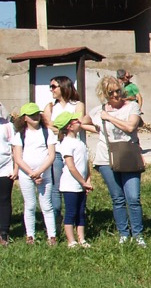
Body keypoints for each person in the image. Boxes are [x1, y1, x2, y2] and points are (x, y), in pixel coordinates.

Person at [89, 77, 146, 245]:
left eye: (118, 91)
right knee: (118, 198)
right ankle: (123, 233)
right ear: (104, 94)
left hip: (128, 155)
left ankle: (138, 234)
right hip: (106, 158)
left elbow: (130, 127)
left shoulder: (132, 107)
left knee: (133, 197)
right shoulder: (98, 110)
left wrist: (109, 118)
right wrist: (98, 128)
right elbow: (82, 121)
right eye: (111, 92)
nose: (115, 95)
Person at [42, 75, 86, 223]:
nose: (51, 90)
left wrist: (58, 125)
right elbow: (49, 125)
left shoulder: (77, 104)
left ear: (64, 87)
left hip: (73, 151)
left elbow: (77, 124)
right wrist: (64, 125)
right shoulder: (50, 107)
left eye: (54, 87)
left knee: (75, 182)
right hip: (56, 150)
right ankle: (56, 220)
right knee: (56, 186)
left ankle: (74, 218)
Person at [12, 103, 57, 245]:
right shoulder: (20, 135)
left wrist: (40, 172)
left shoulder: (47, 132)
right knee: (30, 205)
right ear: (24, 118)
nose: (35, 117)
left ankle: (52, 236)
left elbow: (51, 155)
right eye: (31, 115)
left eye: (37, 114)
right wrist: (32, 173)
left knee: (47, 205)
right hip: (26, 174)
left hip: (45, 174)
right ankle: (30, 236)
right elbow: (18, 158)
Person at [54, 113, 92, 248]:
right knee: (71, 212)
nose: (79, 122)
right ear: (69, 126)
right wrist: (82, 181)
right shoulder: (66, 143)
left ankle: (82, 239)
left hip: (82, 184)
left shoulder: (79, 142)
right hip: (70, 185)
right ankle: (71, 240)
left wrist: (88, 179)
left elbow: (85, 163)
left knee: (81, 212)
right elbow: (71, 166)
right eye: (76, 120)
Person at [0, 107, 15, 246]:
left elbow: (15, 147)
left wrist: (15, 168)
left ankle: (3, 233)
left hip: (5, 169)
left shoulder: (7, 125)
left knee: (4, 200)